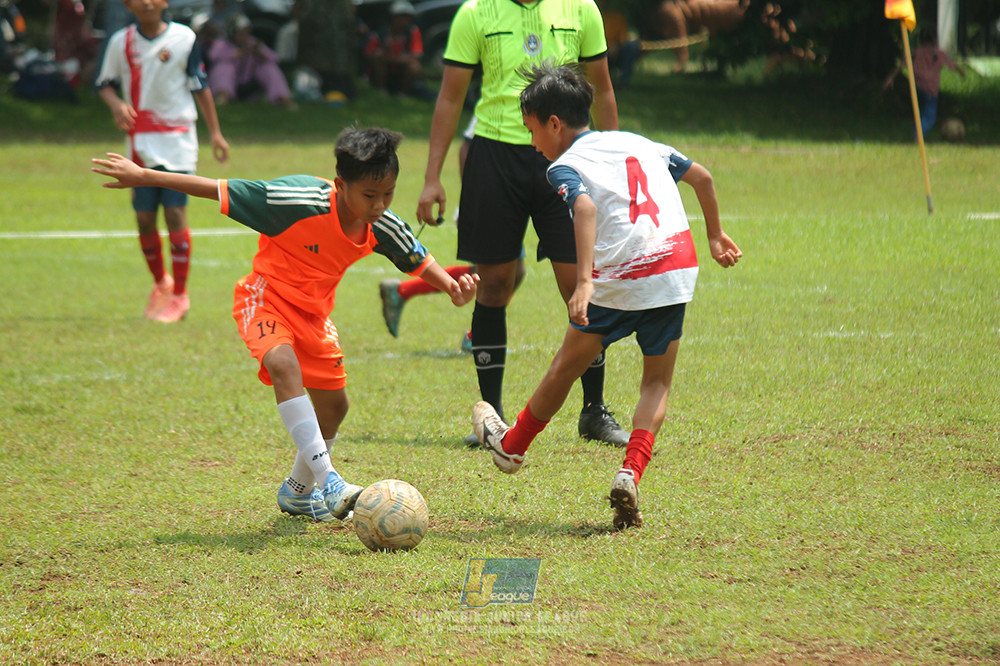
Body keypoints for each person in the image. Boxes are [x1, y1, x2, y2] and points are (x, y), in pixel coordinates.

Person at [91, 127, 479, 522]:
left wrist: (452, 287)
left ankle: (297, 492)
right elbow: (216, 187)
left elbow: (416, 257)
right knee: (282, 363)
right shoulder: (295, 199)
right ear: (341, 185)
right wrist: (143, 177)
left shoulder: (380, 222)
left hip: (314, 315)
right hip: (266, 298)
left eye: (389, 194)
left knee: (335, 406)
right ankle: (329, 480)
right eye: (370, 195)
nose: (380, 205)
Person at [472, 62, 742, 530]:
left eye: (532, 130)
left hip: (623, 275)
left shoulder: (566, 164)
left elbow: (584, 206)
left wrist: (584, 283)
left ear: (554, 123)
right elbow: (702, 177)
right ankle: (629, 471)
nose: (533, 143)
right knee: (655, 382)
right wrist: (715, 236)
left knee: (565, 365)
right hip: (675, 269)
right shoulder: (640, 142)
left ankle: (512, 448)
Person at [415, 0, 629, 448]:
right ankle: (490, 417)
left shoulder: (581, 9)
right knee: (493, 284)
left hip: (567, 156)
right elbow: (451, 96)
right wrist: (432, 176)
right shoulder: (476, 12)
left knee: (580, 284)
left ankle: (594, 411)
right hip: (494, 157)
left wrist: (614, 164)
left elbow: (603, 90)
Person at [96, 0, 229, 323]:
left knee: (174, 214)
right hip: (139, 142)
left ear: (164, 2)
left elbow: (200, 85)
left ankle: (181, 295)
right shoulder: (121, 42)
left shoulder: (184, 38)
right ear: (128, 5)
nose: (146, 3)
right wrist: (116, 105)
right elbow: (104, 84)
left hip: (177, 140)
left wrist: (215, 133)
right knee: (144, 219)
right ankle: (161, 284)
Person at [883, 27, 966, 139]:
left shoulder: (916, 52)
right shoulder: (938, 54)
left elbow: (901, 65)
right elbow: (952, 65)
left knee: (920, 113)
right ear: (935, 39)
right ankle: (918, 136)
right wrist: (961, 72)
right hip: (931, 90)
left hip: (916, 88)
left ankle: (915, 132)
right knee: (930, 117)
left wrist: (890, 78)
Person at [207, 14, 296, 108]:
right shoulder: (222, 43)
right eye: (240, 33)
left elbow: (275, 59)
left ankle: (282, 98)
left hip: (250, 86)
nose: (244, 36)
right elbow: (212, 56)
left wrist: (261, 54)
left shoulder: (254, 43)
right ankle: (222, 96)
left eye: (246, 32)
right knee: (224, 66)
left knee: (268, 67)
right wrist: (236, 54)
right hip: (230, 83)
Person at [370, 0, 435, 100]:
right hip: (384, 71)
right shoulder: (380, 34)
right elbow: (371, 55)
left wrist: (393, 59)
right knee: (379, 59)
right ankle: (381, 90)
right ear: (392, 17)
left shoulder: (412, 32)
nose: (404, 20)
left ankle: (403, 93)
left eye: (407, 17)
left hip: (402, 70)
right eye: (401, 16)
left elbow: (416, 56)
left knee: (414, 67)